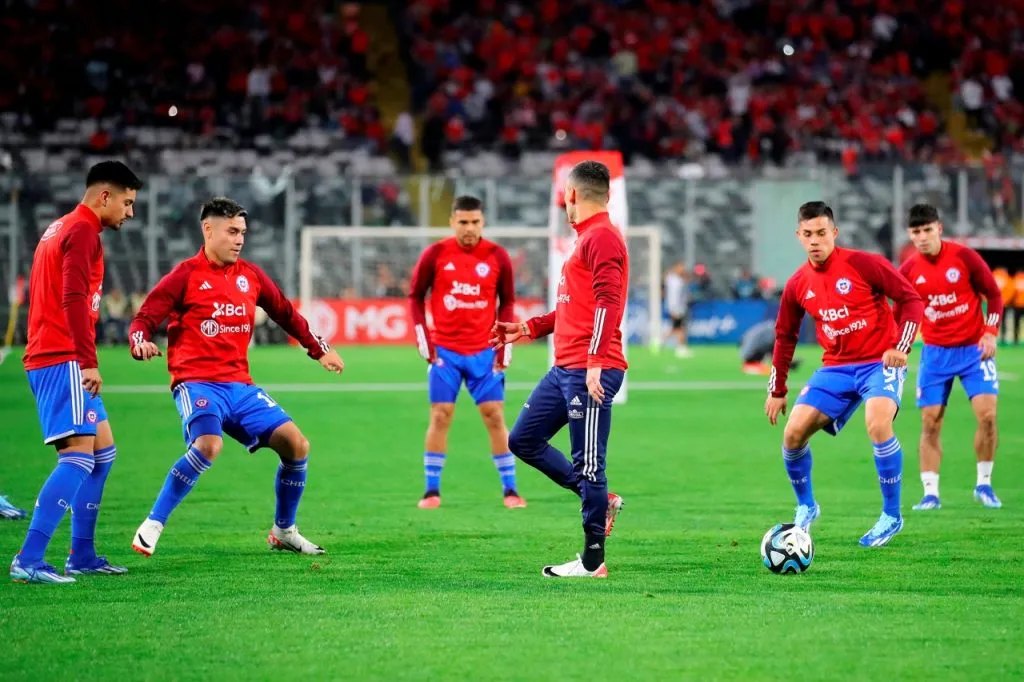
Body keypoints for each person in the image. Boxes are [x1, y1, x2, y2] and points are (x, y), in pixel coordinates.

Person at [128, 197, 344, 558]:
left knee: (297, 445)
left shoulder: (251, 276)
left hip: (240, 387)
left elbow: (285, 313)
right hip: (196, 382)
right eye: (231, 231)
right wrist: (139, 341)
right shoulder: (185, 275)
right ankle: (154, 522)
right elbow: (144, 318)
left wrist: (318, 349)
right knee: (208, 445)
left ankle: (284, 530)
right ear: (208, 230)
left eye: (242, 232)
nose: (239, 239)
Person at [492, 160, 628, 578]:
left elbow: (608, 303)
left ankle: (593, 561)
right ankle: (601, 500)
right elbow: (575, 308)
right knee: (523, 439)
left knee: (589, 465)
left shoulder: (602, 237)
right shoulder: (587, 238)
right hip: (565, 367)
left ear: (570, 195)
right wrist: (528, 328)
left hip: (589, 369)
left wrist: (595, 360)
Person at [12, 160, 142, 584]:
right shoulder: (83, 229)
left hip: (55, 352)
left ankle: (82, 554)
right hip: (62, 355)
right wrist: (87, 360)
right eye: (127, 202)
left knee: (103, 452)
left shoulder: (60, 227)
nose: (130, 212)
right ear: (104, 196)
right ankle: (29, 559)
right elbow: (72, 297)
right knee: (77, 458)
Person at [766, 201, 923, 547]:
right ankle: (806, 507)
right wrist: (777, 389)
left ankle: (891, 515)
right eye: (808, 234)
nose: (815, 240)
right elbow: (785, 336)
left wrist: (901, 346)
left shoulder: (864, 264)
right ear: (799, 236)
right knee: (792, 434)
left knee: (877, 424)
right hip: (836, 367)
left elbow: (911, 300)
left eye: (821, 233)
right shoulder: (797, 284)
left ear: (834, 233)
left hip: (879, 362)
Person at [408, 196, 525, 509]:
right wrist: (423, 339)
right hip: (445, 352)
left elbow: (508, 301)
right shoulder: (435, 254)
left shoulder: (498, 256)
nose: (469, 228)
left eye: (475, 222)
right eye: (463, 222)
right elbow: (415, 297)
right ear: (452, 222)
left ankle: (511, 490)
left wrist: (505, 344)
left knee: (495, 416)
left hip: (484, 352)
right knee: (440, 415)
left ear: (483, 222)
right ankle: (431, 491)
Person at [899, 204, 1004, 509]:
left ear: (939, 229)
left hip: (974, 350)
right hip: (935, 354)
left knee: (988, 417)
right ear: (910, 234)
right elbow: (898, 310)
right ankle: (930, 493)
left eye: (927, 230)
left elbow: (994, 294)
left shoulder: (964, 257)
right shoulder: (908, 270)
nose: (922, 237)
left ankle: (984, 485)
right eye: (916, 232)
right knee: (930, 422)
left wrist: (990, 331)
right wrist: (898, 345)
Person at [663, 262, 691, 357]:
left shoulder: (676, 280)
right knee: (680, 328)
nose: (682, 270)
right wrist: (673, 309)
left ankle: (661, 341)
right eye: (680, 268)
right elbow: (673, 296)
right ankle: (680, 348)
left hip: (680, 307)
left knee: (677, 328)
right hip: (677, 308)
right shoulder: (674, 281)